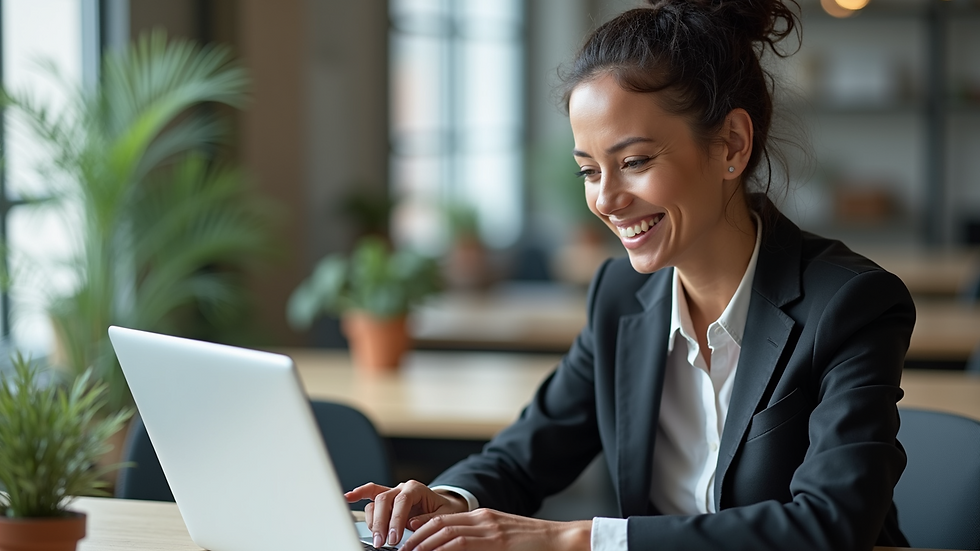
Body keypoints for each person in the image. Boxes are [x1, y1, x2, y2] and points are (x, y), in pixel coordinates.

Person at [346, 0, 916, 549]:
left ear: (731, 147)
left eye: (635, 162)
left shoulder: (850, 303)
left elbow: (831, 526)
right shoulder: (621, 295)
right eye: (589, 171)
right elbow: (525, 453)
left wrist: (573, 538)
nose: (607, 199)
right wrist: (450, 499)